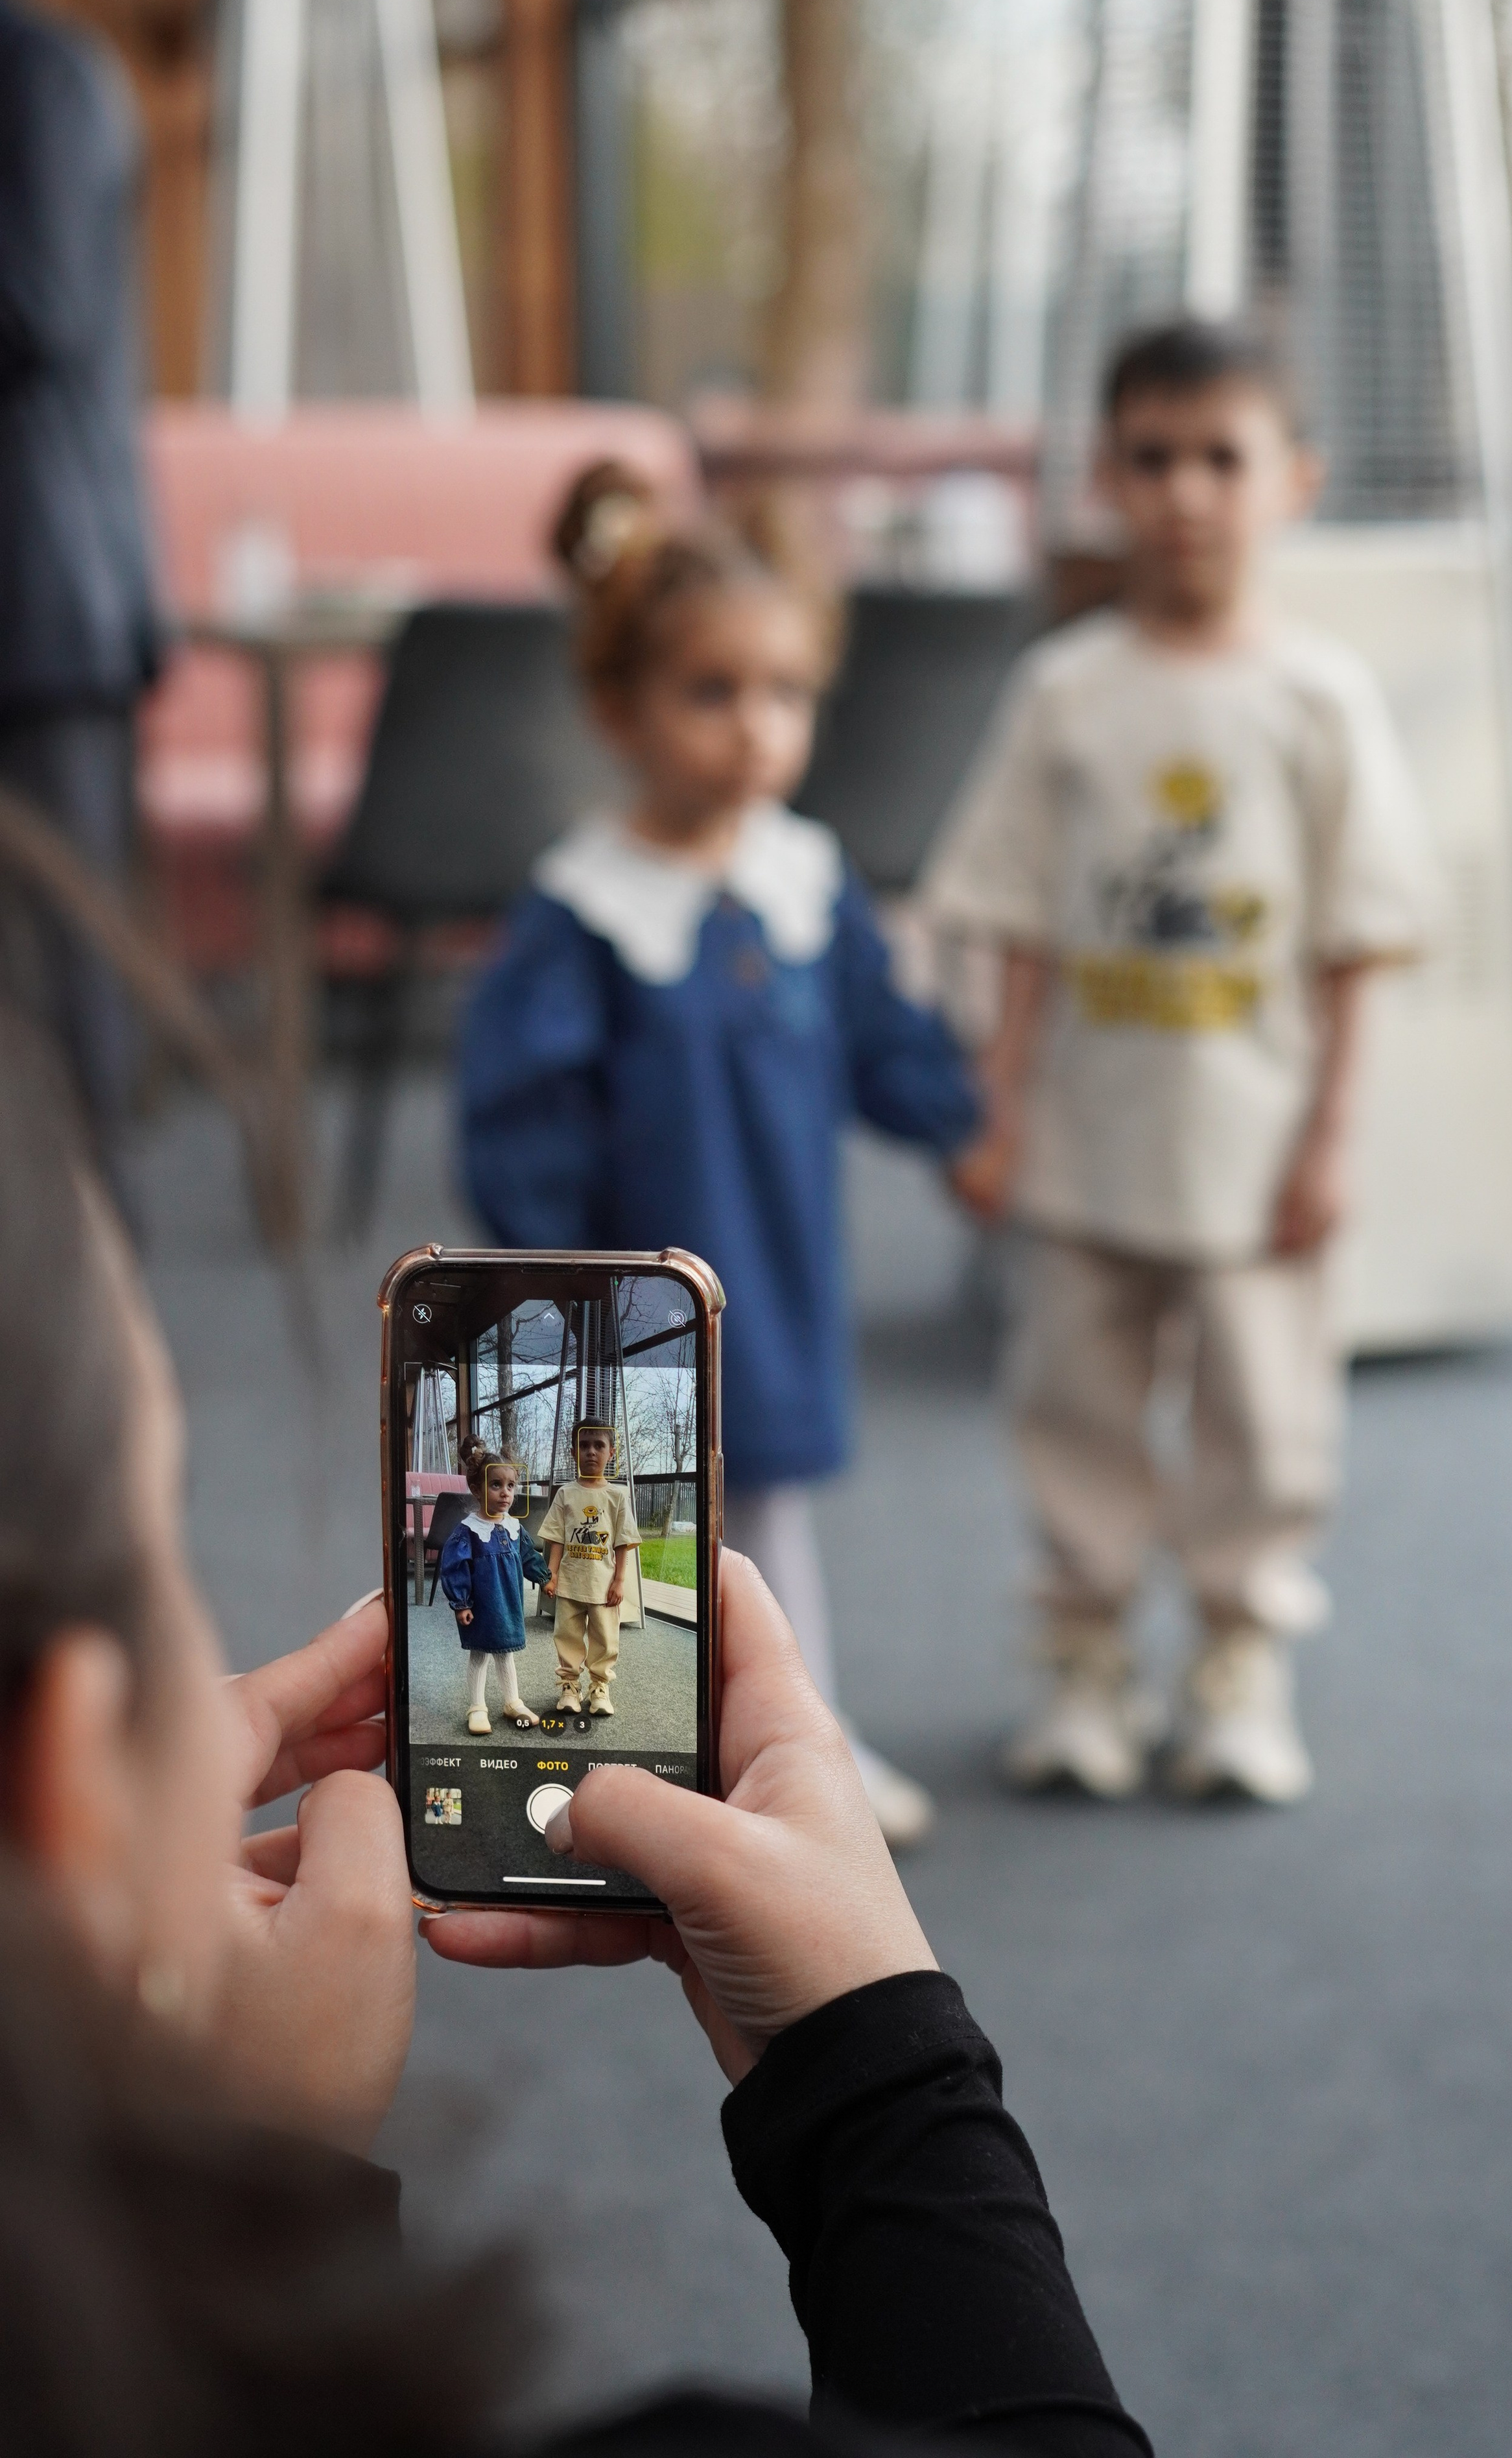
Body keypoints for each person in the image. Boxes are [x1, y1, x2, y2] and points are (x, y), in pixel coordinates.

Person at [0, 1005, 1150, 2457]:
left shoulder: (581, 1501)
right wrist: (884, 2070)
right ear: (66, 1779)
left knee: (573, 1665)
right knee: (519, 1675)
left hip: (583, 1603)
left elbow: (581, 1554)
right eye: (164, 1515)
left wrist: (220, 2136)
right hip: (541, 1617)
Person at [927, 318, 1439, 1808]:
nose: (1184, 492)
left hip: (1253, 1143)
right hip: (1089, 1136)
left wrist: (1329, 1137)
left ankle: (1234, 1653)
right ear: (1104, 475)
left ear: (1291, 480)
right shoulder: (1064, 689)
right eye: (1150, 458)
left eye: (1221, 458)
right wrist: (996, 1100)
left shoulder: (1317, 698)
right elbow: (1014, 913)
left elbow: (1359, 935)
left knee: (1261, 1417)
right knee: (1073, 1401)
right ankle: (1081, 1652)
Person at [460, 462, 983, 1848]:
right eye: (712, 691)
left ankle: (779, 1744)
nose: (757, 729)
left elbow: (879, 1035)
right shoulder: (586, 907)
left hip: (776, 1260)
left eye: (786, 692)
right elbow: (520, 1111)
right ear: (616, 705)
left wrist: (964, 1124)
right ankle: (742, 1749)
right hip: (641, 1283)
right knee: (648, 1521)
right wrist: (558, 1282)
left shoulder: (802, 876)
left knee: (757, 1517)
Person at [0, 0, 162, 1211]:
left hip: (42, 596)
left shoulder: (42, 78)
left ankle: (102, 1305)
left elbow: (41, 308)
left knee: (63, 971)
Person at [438, 1434, 550, 1734]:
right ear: (476, 1489)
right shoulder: (469, 1530)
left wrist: (544, 1578)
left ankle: (512, 1701)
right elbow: (454, 1566)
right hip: (482, 1603)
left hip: (509, 1602)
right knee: (480, 1653)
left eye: (510, 1486)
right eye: (496, 1485)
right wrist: (460, 1603)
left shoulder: (513, 1526)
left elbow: (527, 1554)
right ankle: (477, 1707)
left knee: (506, 1651)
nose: (505, 1493)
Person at [537, 1417, 640, 1717]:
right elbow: (557, 1539)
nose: (591, 1452)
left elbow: (623, 1543)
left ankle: (599, 1687)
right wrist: (552, 1574)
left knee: (605, 1639)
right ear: (573, 1452)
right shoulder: (566, 1494)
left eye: (599, 1446)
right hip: (570, 1582)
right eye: (584, 1446)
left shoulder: (617, 1496)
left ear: (612, 1453)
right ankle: (570, 1685)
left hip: (604, 1586)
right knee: (567, 1635)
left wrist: (620, 1581)